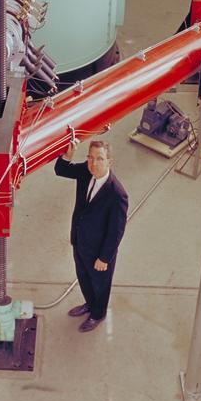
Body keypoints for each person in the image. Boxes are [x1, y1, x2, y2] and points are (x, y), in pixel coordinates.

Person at [54, 139, 129, 332]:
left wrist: (104, 258)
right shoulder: (87, 171)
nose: (94, 163)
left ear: (109, 162)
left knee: (100, 285)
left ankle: (98, 314)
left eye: (100, 159)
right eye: (90, 157)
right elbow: (61, 170)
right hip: (80, 241)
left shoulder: (117, 193)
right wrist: (68, 155)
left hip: (99, 252)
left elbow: (116, 231)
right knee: (84, 278)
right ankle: (89, 304)